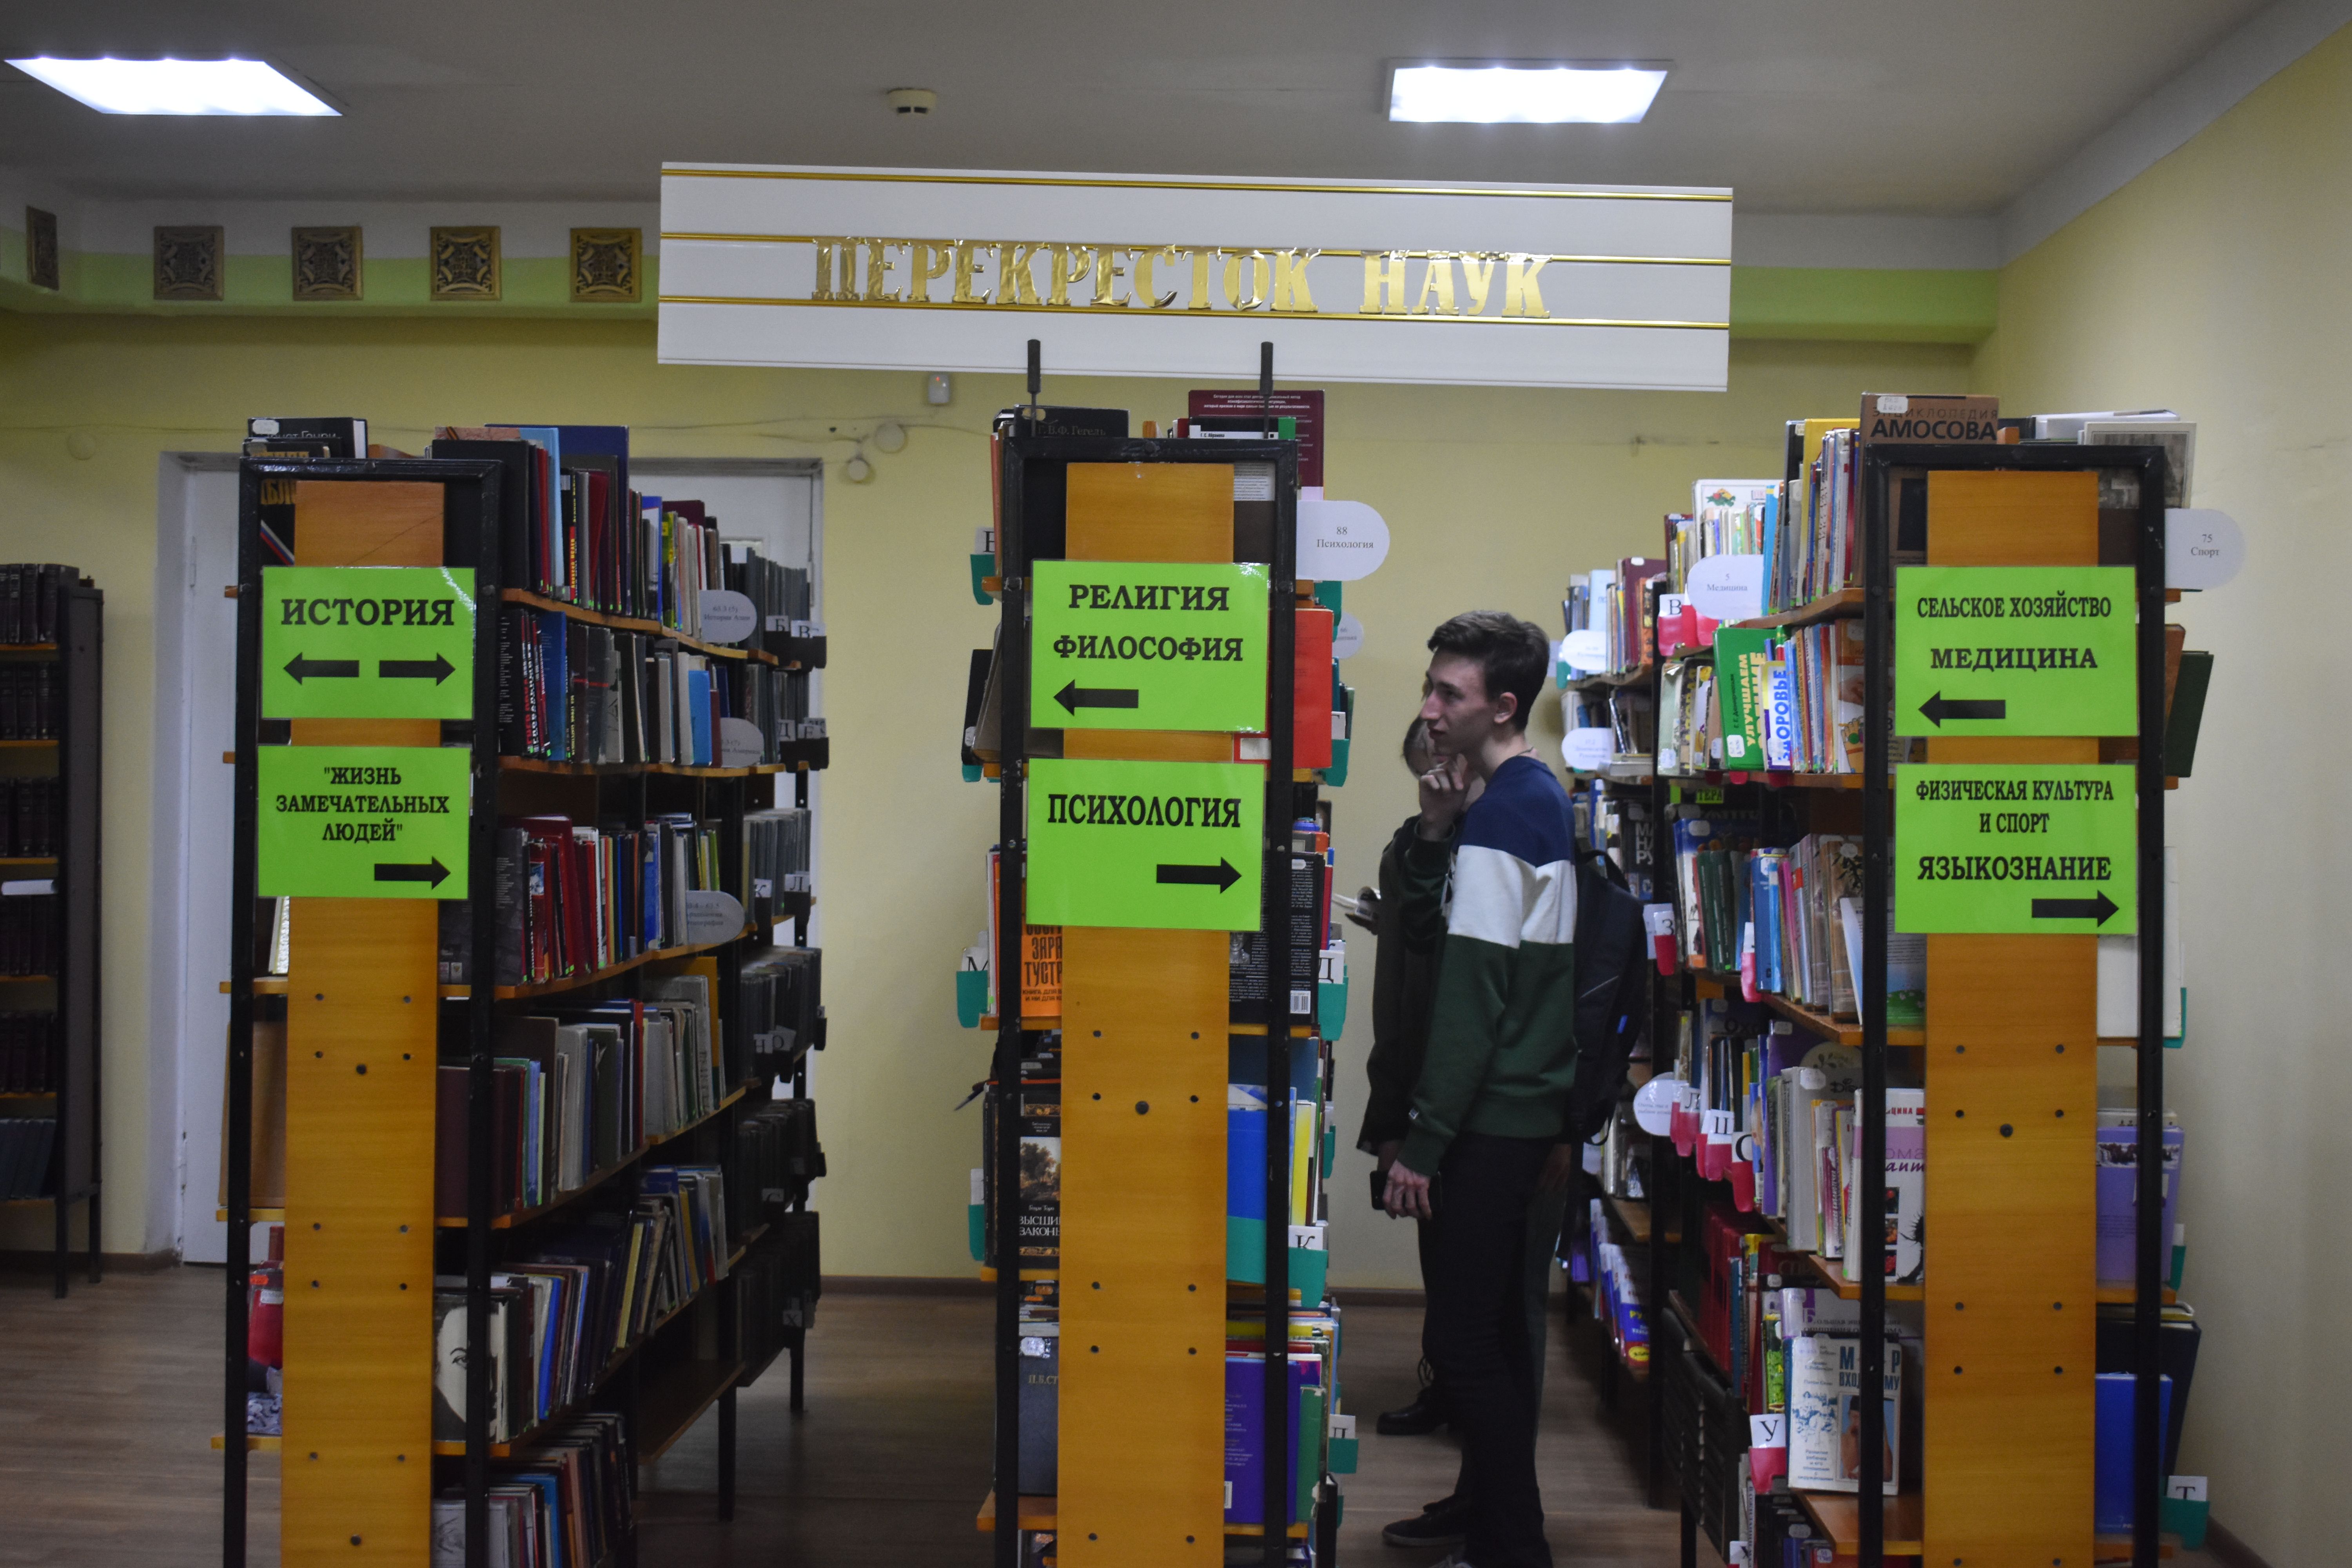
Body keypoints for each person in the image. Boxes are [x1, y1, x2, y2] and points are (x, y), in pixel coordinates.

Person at [1382, 610, 1583, 1568]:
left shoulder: (1509, 812)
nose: (1429, 708)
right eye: (1431, 686)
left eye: (1447, 692)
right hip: (1513, 1111)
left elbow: (1471, 996)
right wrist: (1434, 830)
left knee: (1464, 1344)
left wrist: (1423, 1143)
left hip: (1493, 1120)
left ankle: (1516, 1546)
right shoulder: (1518, 797)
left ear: (1503, 707)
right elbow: (1436, 933)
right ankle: (1498, 1526)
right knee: (1489, 1335)